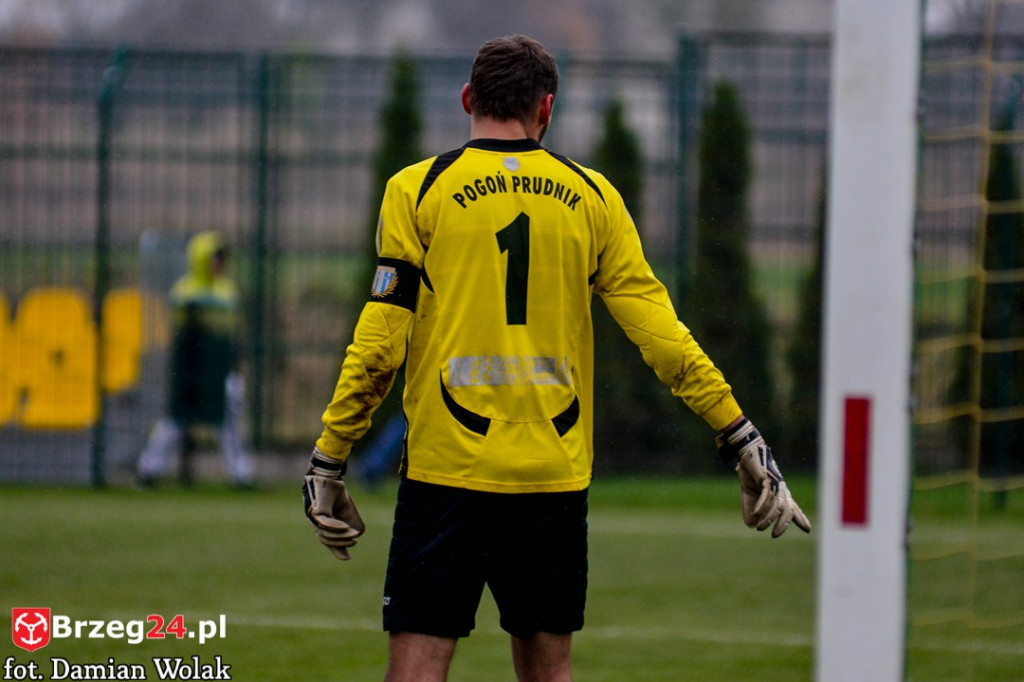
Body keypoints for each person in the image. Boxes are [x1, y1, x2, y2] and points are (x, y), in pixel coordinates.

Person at [302, 34, 810, 682]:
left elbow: (380, 344)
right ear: (547, 109)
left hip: (445, 473)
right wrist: (739, 435)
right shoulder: (594, 196)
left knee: (416, 671)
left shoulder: (417, 189)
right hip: (551, 474)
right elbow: (662, 335)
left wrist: (331, 455)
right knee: (550, 674)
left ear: (467, 100)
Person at [137, 231, 255, 489]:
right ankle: (148, 469)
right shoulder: (185, 291)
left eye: (222, 258)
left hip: (219, 370)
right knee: (175, 419)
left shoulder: (227, 290)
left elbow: (229, 335)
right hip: (191, 369)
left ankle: (241, 475)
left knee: (229, 421)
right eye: (215, 257)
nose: (219, 264)